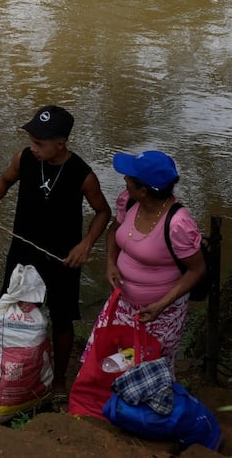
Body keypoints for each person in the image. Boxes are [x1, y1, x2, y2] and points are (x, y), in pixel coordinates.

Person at [0, 104, 112, 394]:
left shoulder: (82, 175)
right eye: (31, 141)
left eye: (39, 143)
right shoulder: (24, 159)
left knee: (62, 319)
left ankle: (60, 378)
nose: (33, 147)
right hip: (23, 252)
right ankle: (10, 367)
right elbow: (4, 181)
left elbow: (103, 212)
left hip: (63, 258)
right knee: (13, 306)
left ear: (61, 143)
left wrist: (85, 244)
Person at [94, 149, 206, 369]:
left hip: (160, 314)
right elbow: (114, 231)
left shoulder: (178, 224)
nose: (124, 179)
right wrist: (110, 263)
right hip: (122, 305)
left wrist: (161, 305)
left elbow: (197, 269)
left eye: (129, 178)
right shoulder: (128, 201)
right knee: (109, 362)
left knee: (147, 370)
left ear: (143, 190)